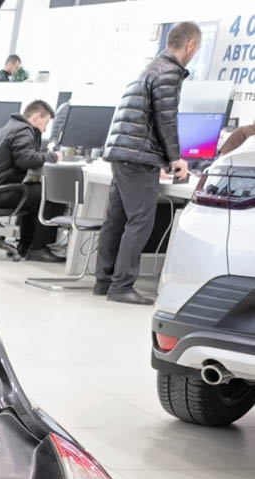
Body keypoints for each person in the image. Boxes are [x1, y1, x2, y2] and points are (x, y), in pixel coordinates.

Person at [94, 22, 201, 304]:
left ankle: (103, 282)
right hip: (138, 156)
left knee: (116, 220)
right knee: (140, 220)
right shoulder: (169, 72)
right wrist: (176, 159)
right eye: (196, 49)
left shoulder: (151, 67)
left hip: (122, 153)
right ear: (190, 45)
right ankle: (121, 287)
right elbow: (166, 119)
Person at [0, 100, 62, 260]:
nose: (45, 129)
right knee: (50, 194)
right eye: (46, 123)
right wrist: (54, 156)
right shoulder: (24, 130)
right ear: (36, 117)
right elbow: (27, 160)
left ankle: (25, 245)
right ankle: (38, 248)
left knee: (34, 192)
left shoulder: (10, 126)